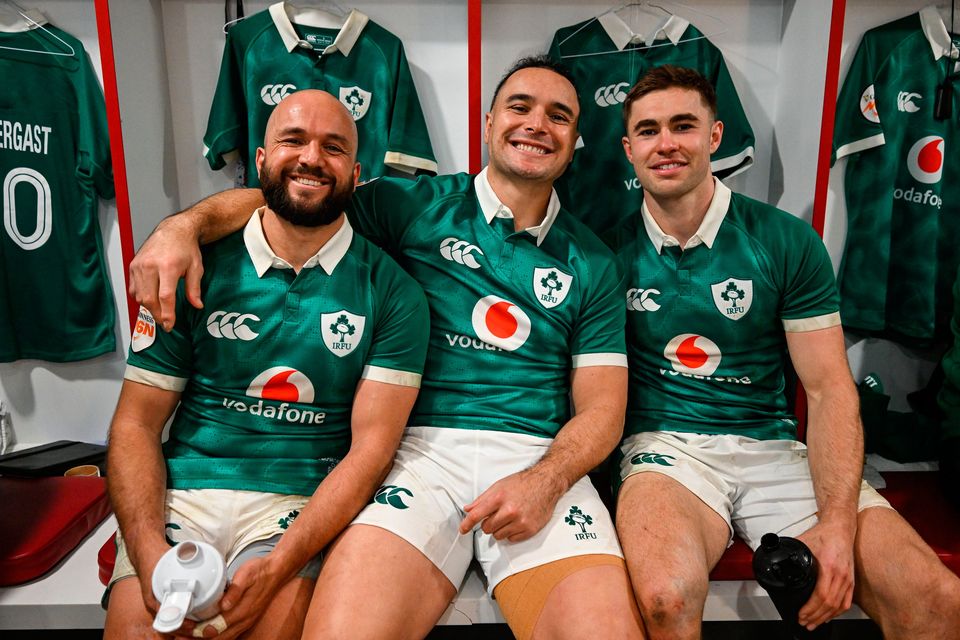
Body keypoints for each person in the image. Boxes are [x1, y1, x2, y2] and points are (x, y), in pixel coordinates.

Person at [125, 56, 644, 640]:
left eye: (559, 116)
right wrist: (181, 228)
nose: (536, 124)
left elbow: (604, 411)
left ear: (576, 142)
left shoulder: (594, 260)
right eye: (520, 107)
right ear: (489, 121)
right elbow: (294, 197)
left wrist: (546, 481)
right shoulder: (412, 204)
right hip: (418, 458)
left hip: (537, 460)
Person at [610, 64, 960, 639]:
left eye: (683, 125)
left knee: (936, 600)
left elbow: (827, 391)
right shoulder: (605, 251)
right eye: (648, 131)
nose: (666, 143)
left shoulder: (785, 240)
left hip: (773, 447)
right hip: (667, 451)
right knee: (665, 598)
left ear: (715, 136)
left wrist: (838, 528)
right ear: (628, 149)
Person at [104, 90, 430, 640]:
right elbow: (135, 424)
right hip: (182, 491)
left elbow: (370, 453)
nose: (310, 158)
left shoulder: (395, 293)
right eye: (293, 140)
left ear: (355, 173)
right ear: (259, 161)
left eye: (332, 147)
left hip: (300, 503)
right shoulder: (188, 268)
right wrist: (148, 550)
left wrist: (280, 564)